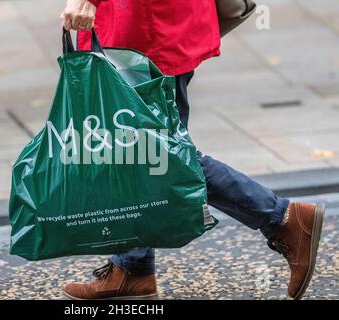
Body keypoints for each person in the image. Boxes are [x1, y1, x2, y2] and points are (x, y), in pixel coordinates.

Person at [60, 0, 325, 300]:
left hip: (146, 25)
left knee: (156, 155)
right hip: (152, 22)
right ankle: (132, 268)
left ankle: (282, 219)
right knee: (142, 156)